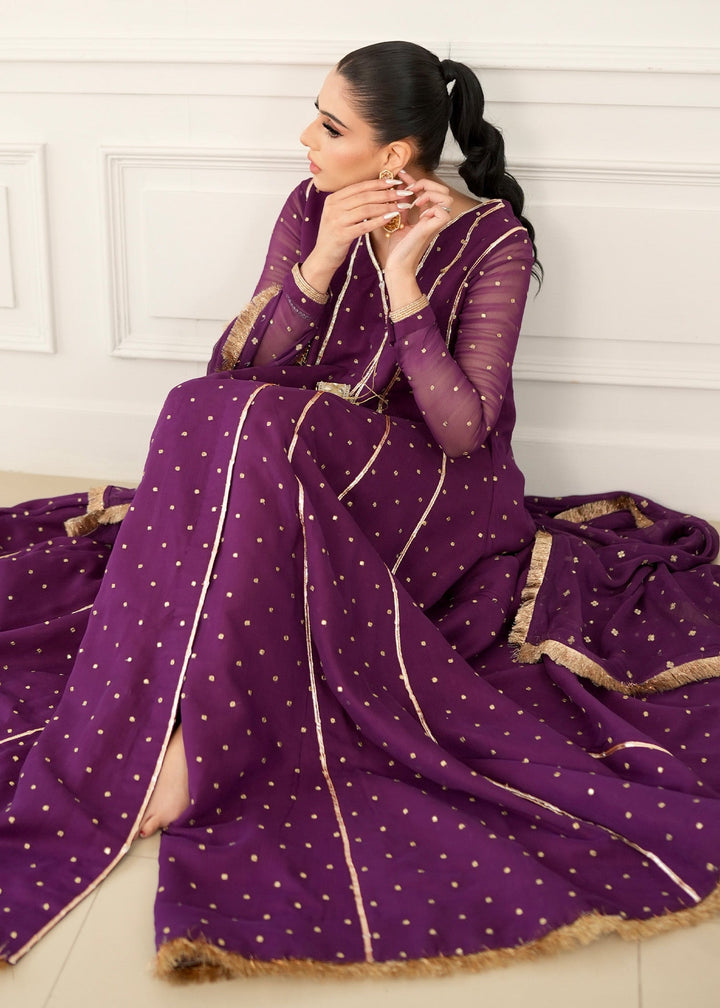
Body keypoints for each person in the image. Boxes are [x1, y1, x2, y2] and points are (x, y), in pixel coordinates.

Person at [1, 40, 719, 984]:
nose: (305, 137)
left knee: (257, 425)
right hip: (311, 448)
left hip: (435, 493)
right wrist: (323, 260)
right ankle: (183, 721)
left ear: (395, 155)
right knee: (202, 406)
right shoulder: (314, 206)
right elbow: (234, 368)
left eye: (330, 125)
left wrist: (404, 278)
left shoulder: (494, 239)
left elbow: (463, 430)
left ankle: (196, 742)